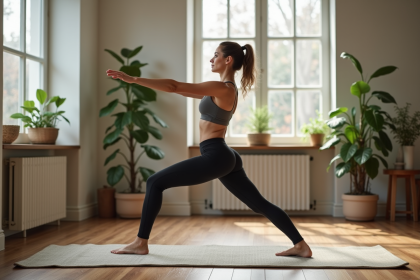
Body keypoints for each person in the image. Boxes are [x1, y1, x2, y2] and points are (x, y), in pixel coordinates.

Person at [106, 41, 312, 258]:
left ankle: (140, 242)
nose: (211, 59)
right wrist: (150, 83)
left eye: (216, 55)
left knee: (154, 182)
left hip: (217, 155)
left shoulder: (223, 88)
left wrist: (133, 80)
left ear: (228, 60)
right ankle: (300, 245)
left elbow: (174, 86)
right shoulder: (222, 89)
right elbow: (181, 91)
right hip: (224, 155)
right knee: (259, 203)